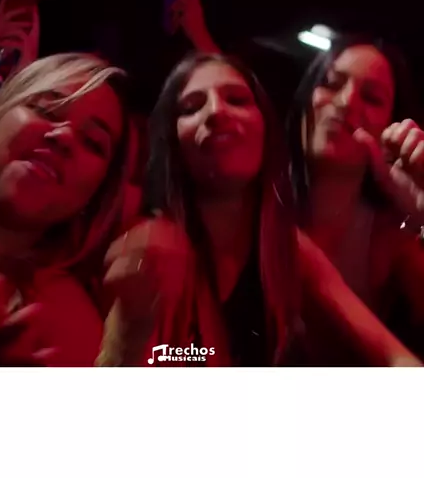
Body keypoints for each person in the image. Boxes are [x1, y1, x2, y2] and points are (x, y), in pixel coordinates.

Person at [98, 52, 419, 367]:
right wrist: (130, 329)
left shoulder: (286, 246)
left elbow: (390, 352)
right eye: (191, 107)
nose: (215, 112)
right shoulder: (148, 241)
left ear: (266, 127)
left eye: (237, 100)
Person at [0, 52, 136, 366]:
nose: (63, 136)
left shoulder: (71, 332)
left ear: (97, 194)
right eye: (45, 109)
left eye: (92, 142)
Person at [287, 35, 424, 357]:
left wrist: (422, 210)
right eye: (331, 84)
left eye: (372, 98)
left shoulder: (388, 235)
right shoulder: (258, 202)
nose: (346, 101)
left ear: (391, 126)